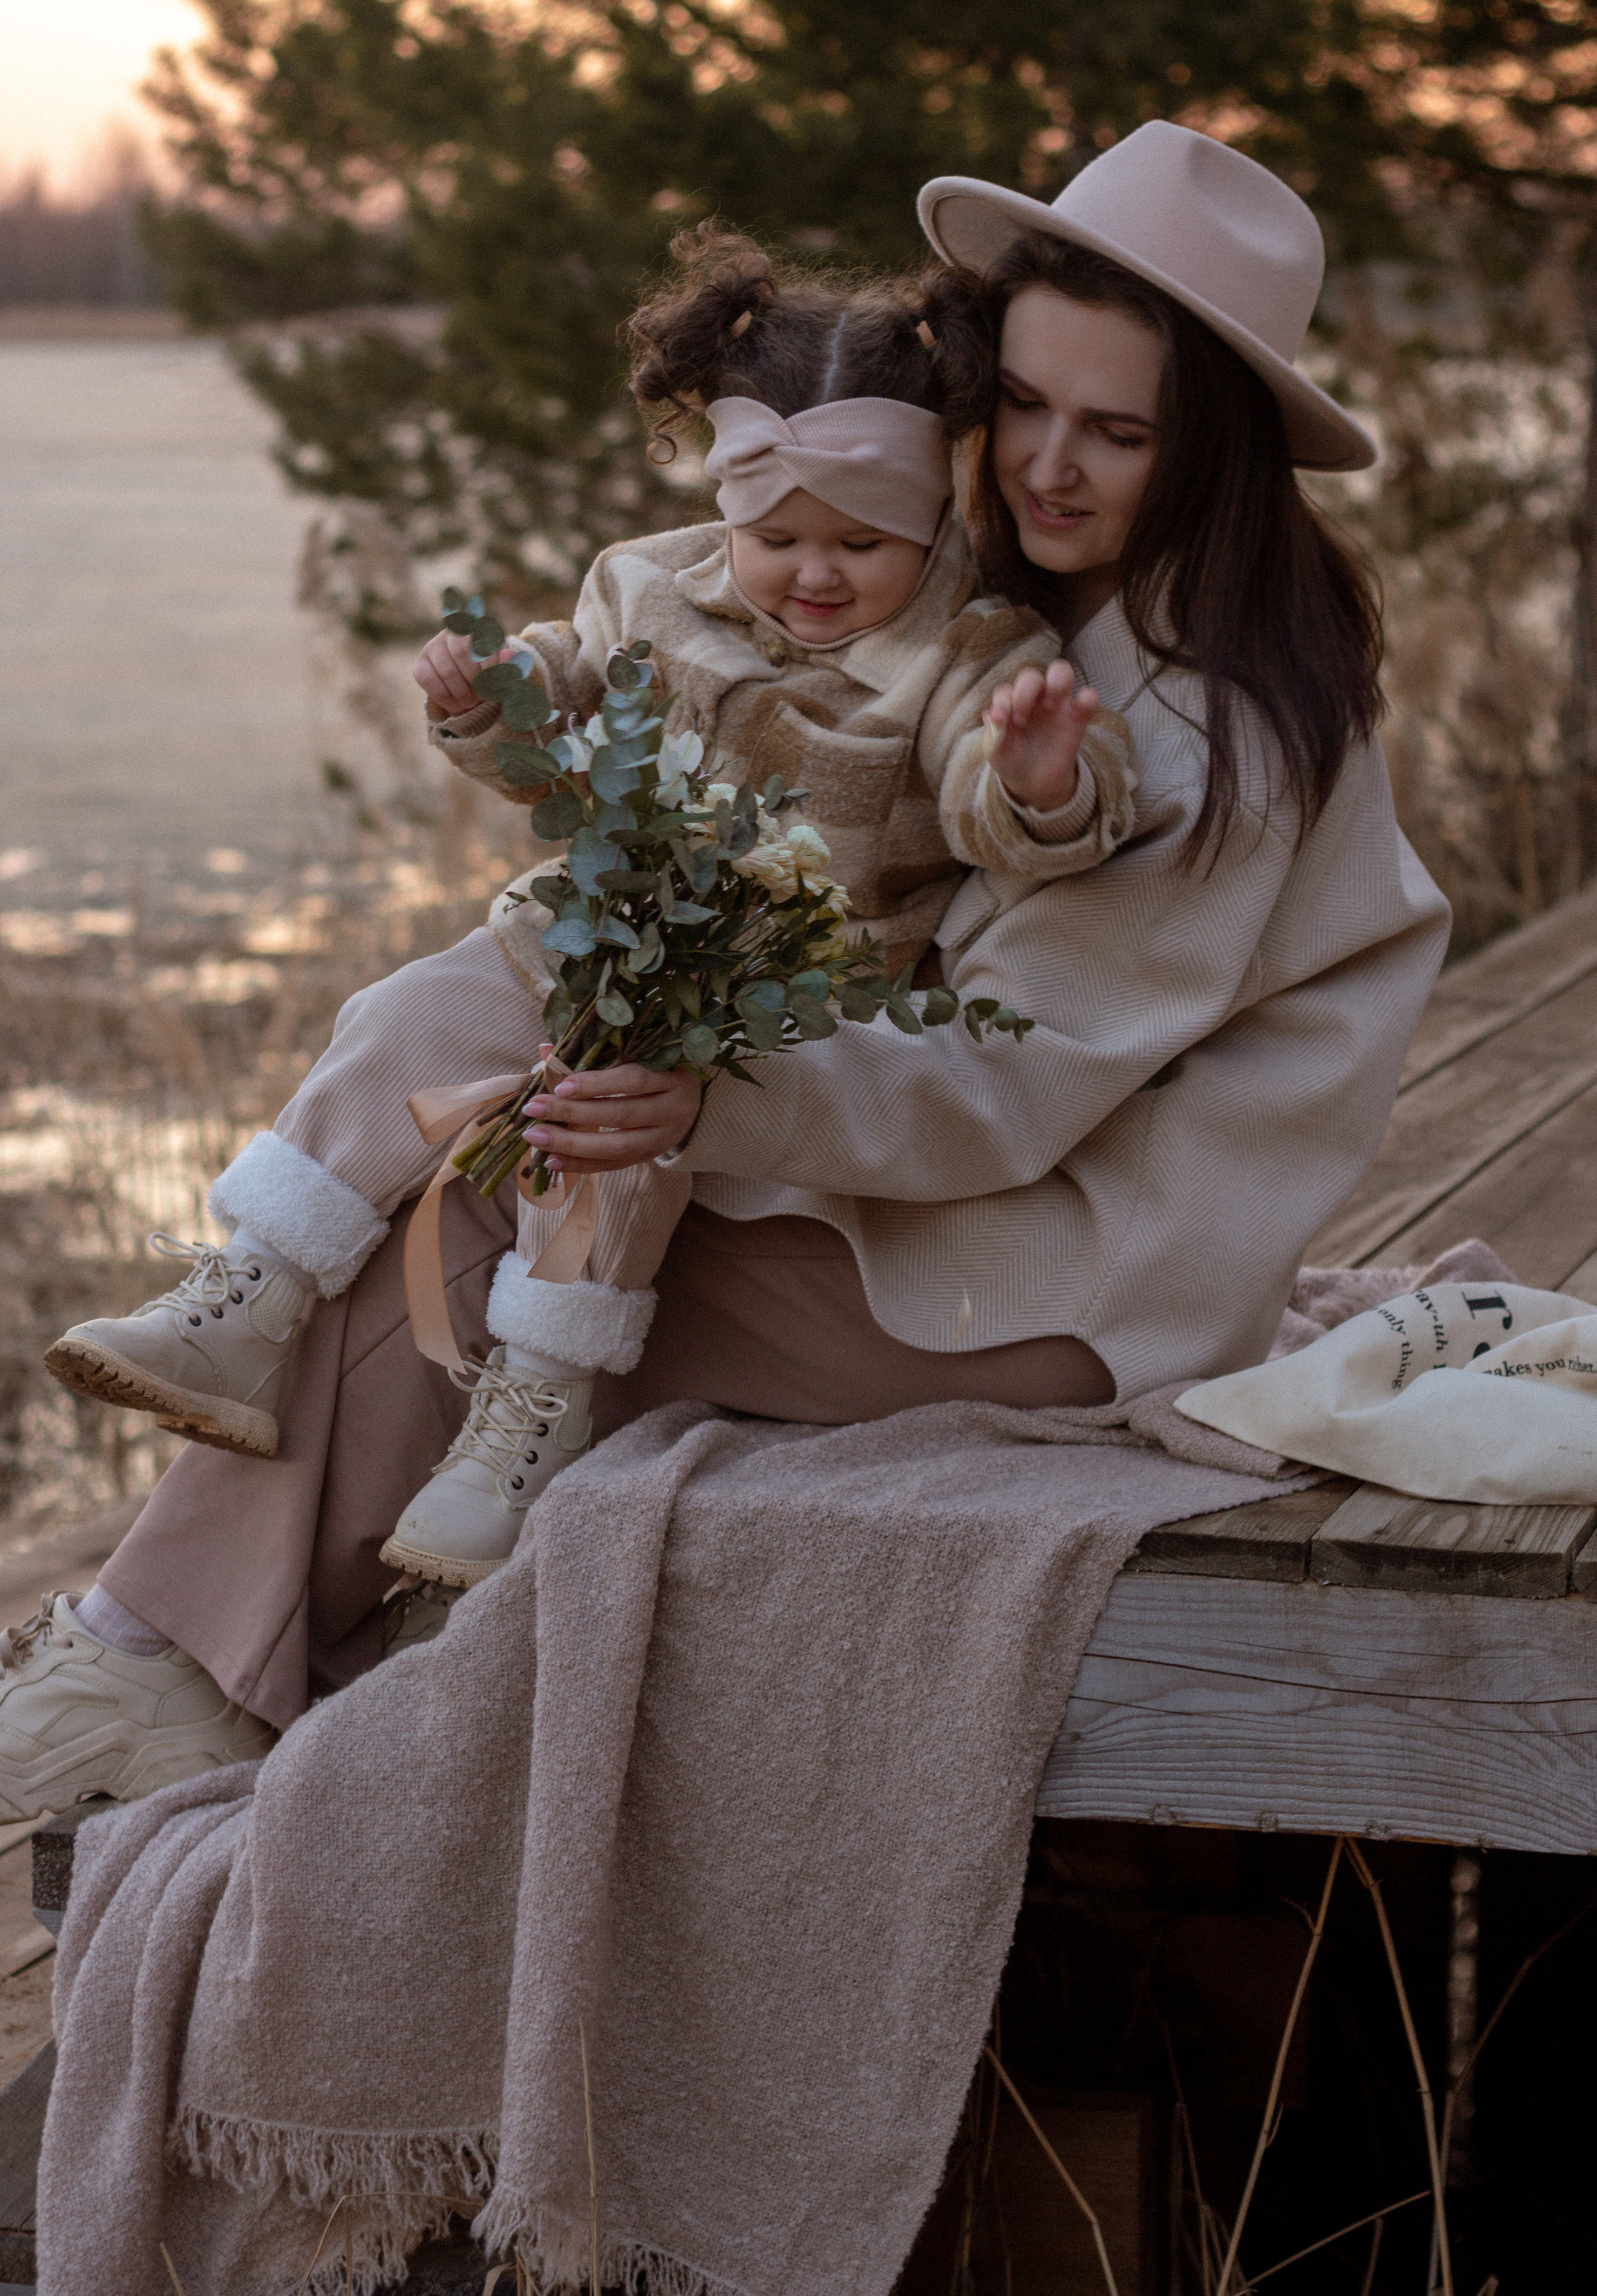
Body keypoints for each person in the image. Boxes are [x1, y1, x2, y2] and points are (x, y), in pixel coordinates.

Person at [0, 120, 1447, 1819]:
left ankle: (172, 1671)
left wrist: (696, 1092)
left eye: (1114, 431)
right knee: (488, 1147)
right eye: (1027, 409)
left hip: (1060, 1276)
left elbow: (1001, 1090)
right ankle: (221, 1654)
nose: (1050, 465)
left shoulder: (1204, 720)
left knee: (473, 1226)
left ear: (1210, 447)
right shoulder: (1050, 615)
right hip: (951, 1193)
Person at [42, 228, 1138, 1602]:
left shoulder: (971, 650)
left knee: (608, 1148)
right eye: (774, 537)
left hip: (766, 998)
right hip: (580, 925)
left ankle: (526, 1421)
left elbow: (996, 805)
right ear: (723, 510)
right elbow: (557, 732)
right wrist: (490, 699)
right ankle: (249, 1294)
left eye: (861, 542)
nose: (811, 573)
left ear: (930, 518)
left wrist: (1035, 776)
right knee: (399, 1016)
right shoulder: (646, 585)